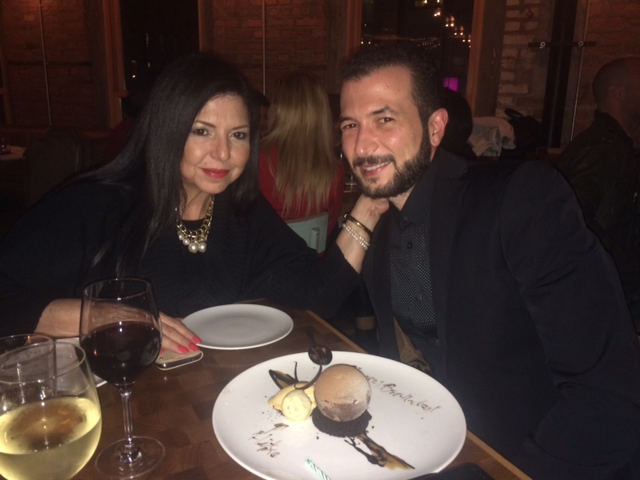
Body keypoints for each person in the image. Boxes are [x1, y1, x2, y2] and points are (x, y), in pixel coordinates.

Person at [338, 44, 640, 479]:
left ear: (435, 127)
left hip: (529, 459)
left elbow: (607, 394)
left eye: (384, 119)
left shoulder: (518, 198)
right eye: (350, 125)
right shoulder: (381, 229)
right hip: (431, 449)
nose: (362, 145)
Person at [0, 53, 384, 354]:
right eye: (202, 131)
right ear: (167, 130)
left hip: (201, 403)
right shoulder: (96, 205)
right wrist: (102, 315)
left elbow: (318, 295)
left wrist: (370, 205)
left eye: (238, 135)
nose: (223, 153)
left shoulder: (243, 212)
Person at [557, 57, 640, 328]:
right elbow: (573, 221)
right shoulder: (601, 148)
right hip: (601, 295)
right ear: (617, 92)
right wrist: (628, 266)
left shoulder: (620, 146)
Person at [259, 71, 345, 237]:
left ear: (282, 111)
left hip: (257, 252)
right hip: (311, 253)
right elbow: (327, 230)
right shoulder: (335, 172)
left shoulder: (252, 160)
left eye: (273, 102)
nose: (269, 110)